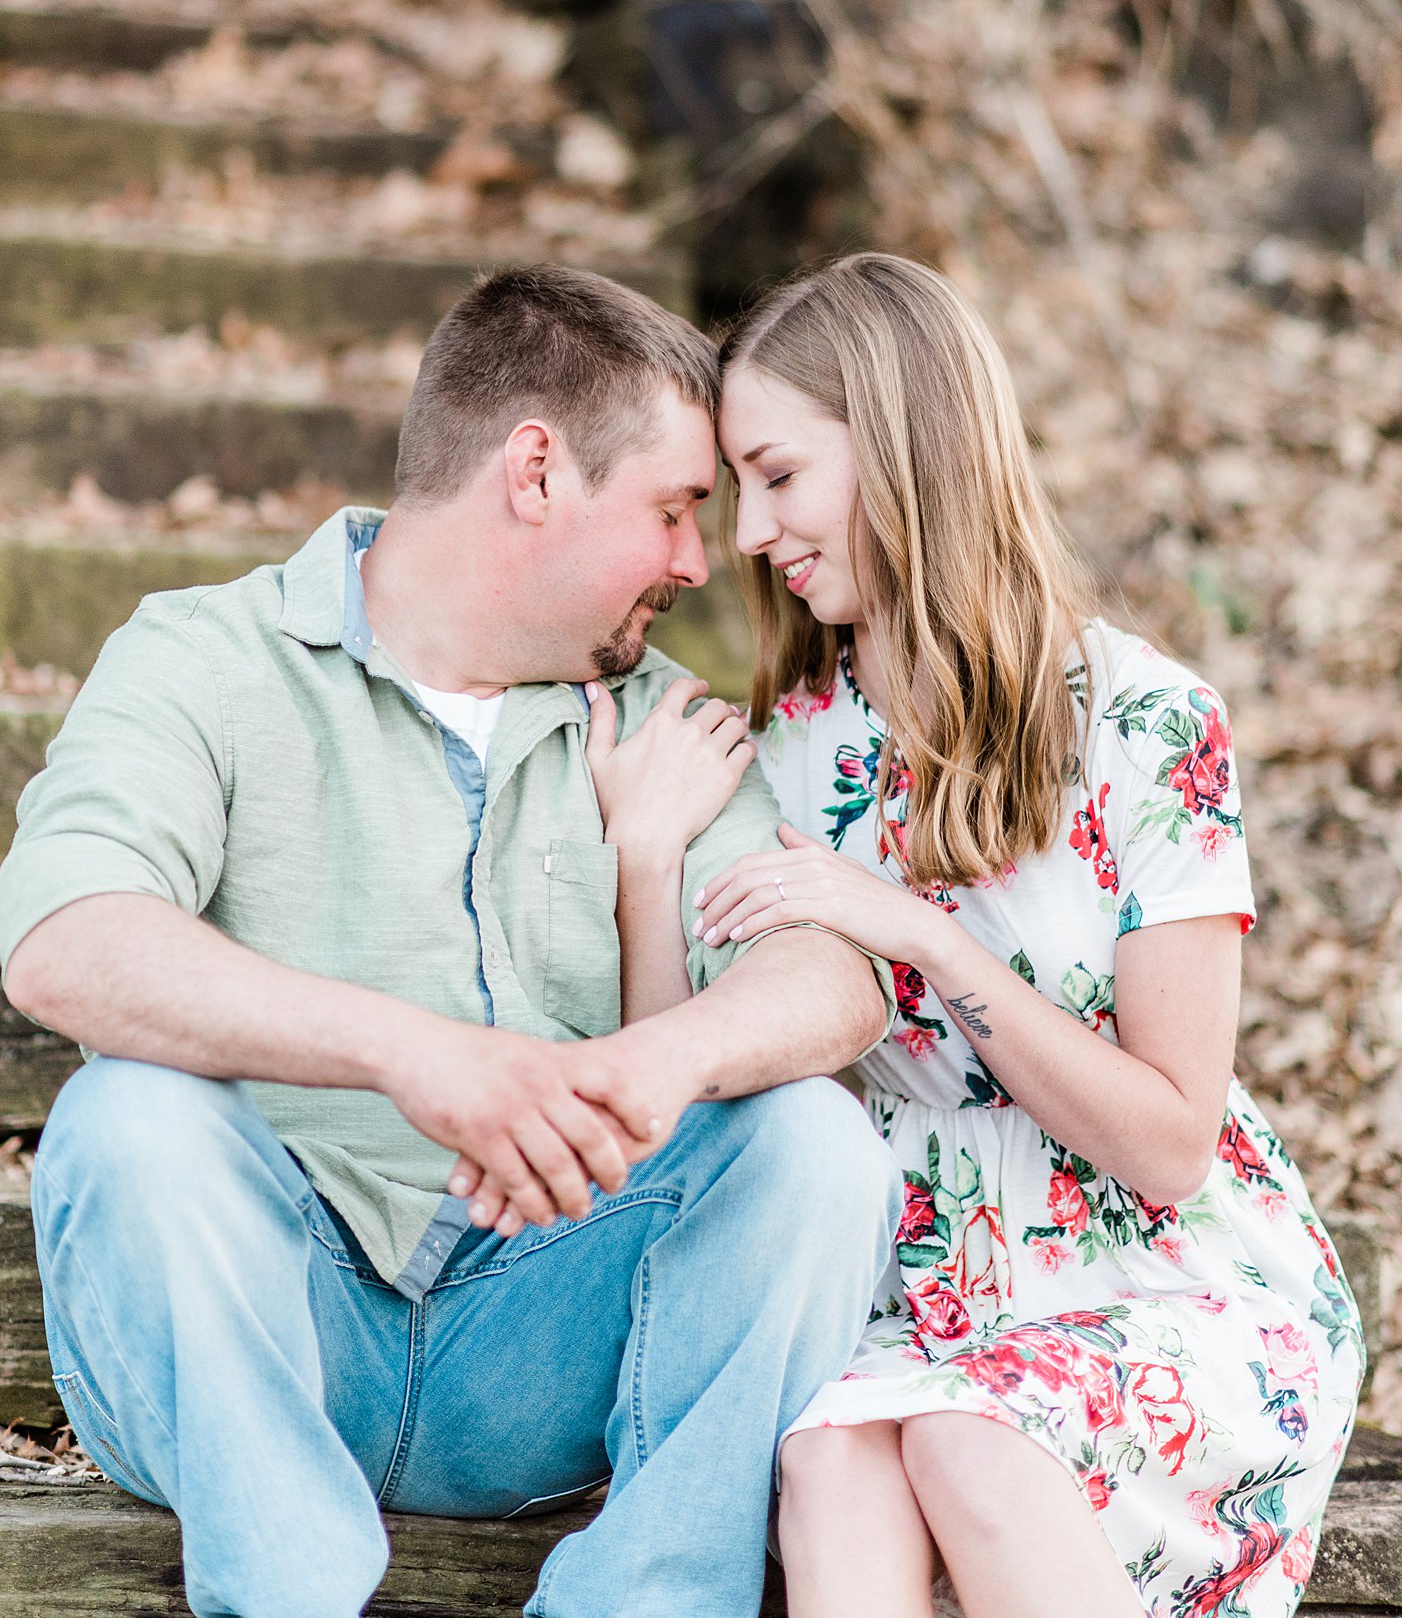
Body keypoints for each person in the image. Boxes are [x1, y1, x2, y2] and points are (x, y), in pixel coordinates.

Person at [0, 266, 903, 1618]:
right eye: (670, 509)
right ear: (535, 472)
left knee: (813, 1147)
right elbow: (67, 939)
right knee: (128, 1122)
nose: (697, 562)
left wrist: (666, 1064)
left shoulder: (655, 719)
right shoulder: (205, 658)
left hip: (540, 1340)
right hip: (266, 1330)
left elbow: (829, 977)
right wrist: (414, 1057)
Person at [610, 254, 1363, 1618]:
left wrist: (934, 945)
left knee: (971, 1437)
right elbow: (679, 1098)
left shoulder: (1142, 722)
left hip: (1165, 1277)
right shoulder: (789, 755)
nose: (747, 535)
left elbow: (1168, 1140)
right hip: (927, 1290)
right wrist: (644, 860)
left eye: (778, 476)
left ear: (898, 443)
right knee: (831, 1456)